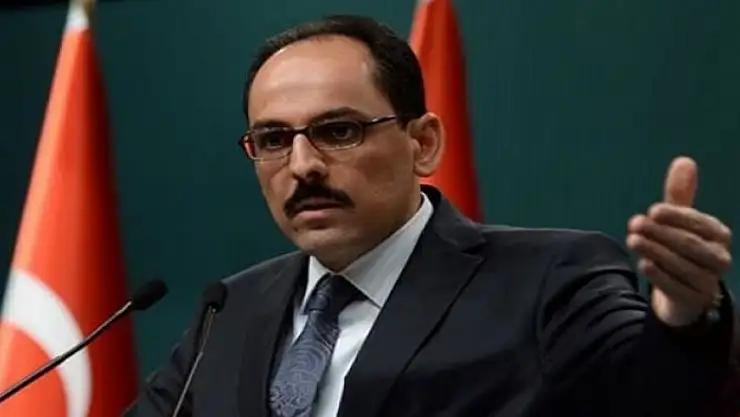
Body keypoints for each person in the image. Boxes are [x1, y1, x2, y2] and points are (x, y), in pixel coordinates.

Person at [128, 14, 736, 417]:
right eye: (273, 140)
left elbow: (654, 398)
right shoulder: (230, 310)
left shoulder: (549, 277)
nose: (303, 164)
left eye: (337, 131)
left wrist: (687, 319)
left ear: (423, 143)